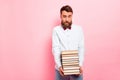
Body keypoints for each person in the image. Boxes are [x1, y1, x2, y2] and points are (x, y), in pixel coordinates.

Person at [52, 5, 84, 80]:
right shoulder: (56, 30)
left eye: (69, 16)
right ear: (60, 16)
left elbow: (81, 48)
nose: (67, 19)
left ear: (72, 16)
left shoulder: (79, 29)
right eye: (64, 16)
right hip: (60, 69)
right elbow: (56, 49)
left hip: (76, 68)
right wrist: (59, 66)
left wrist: (80, 65)